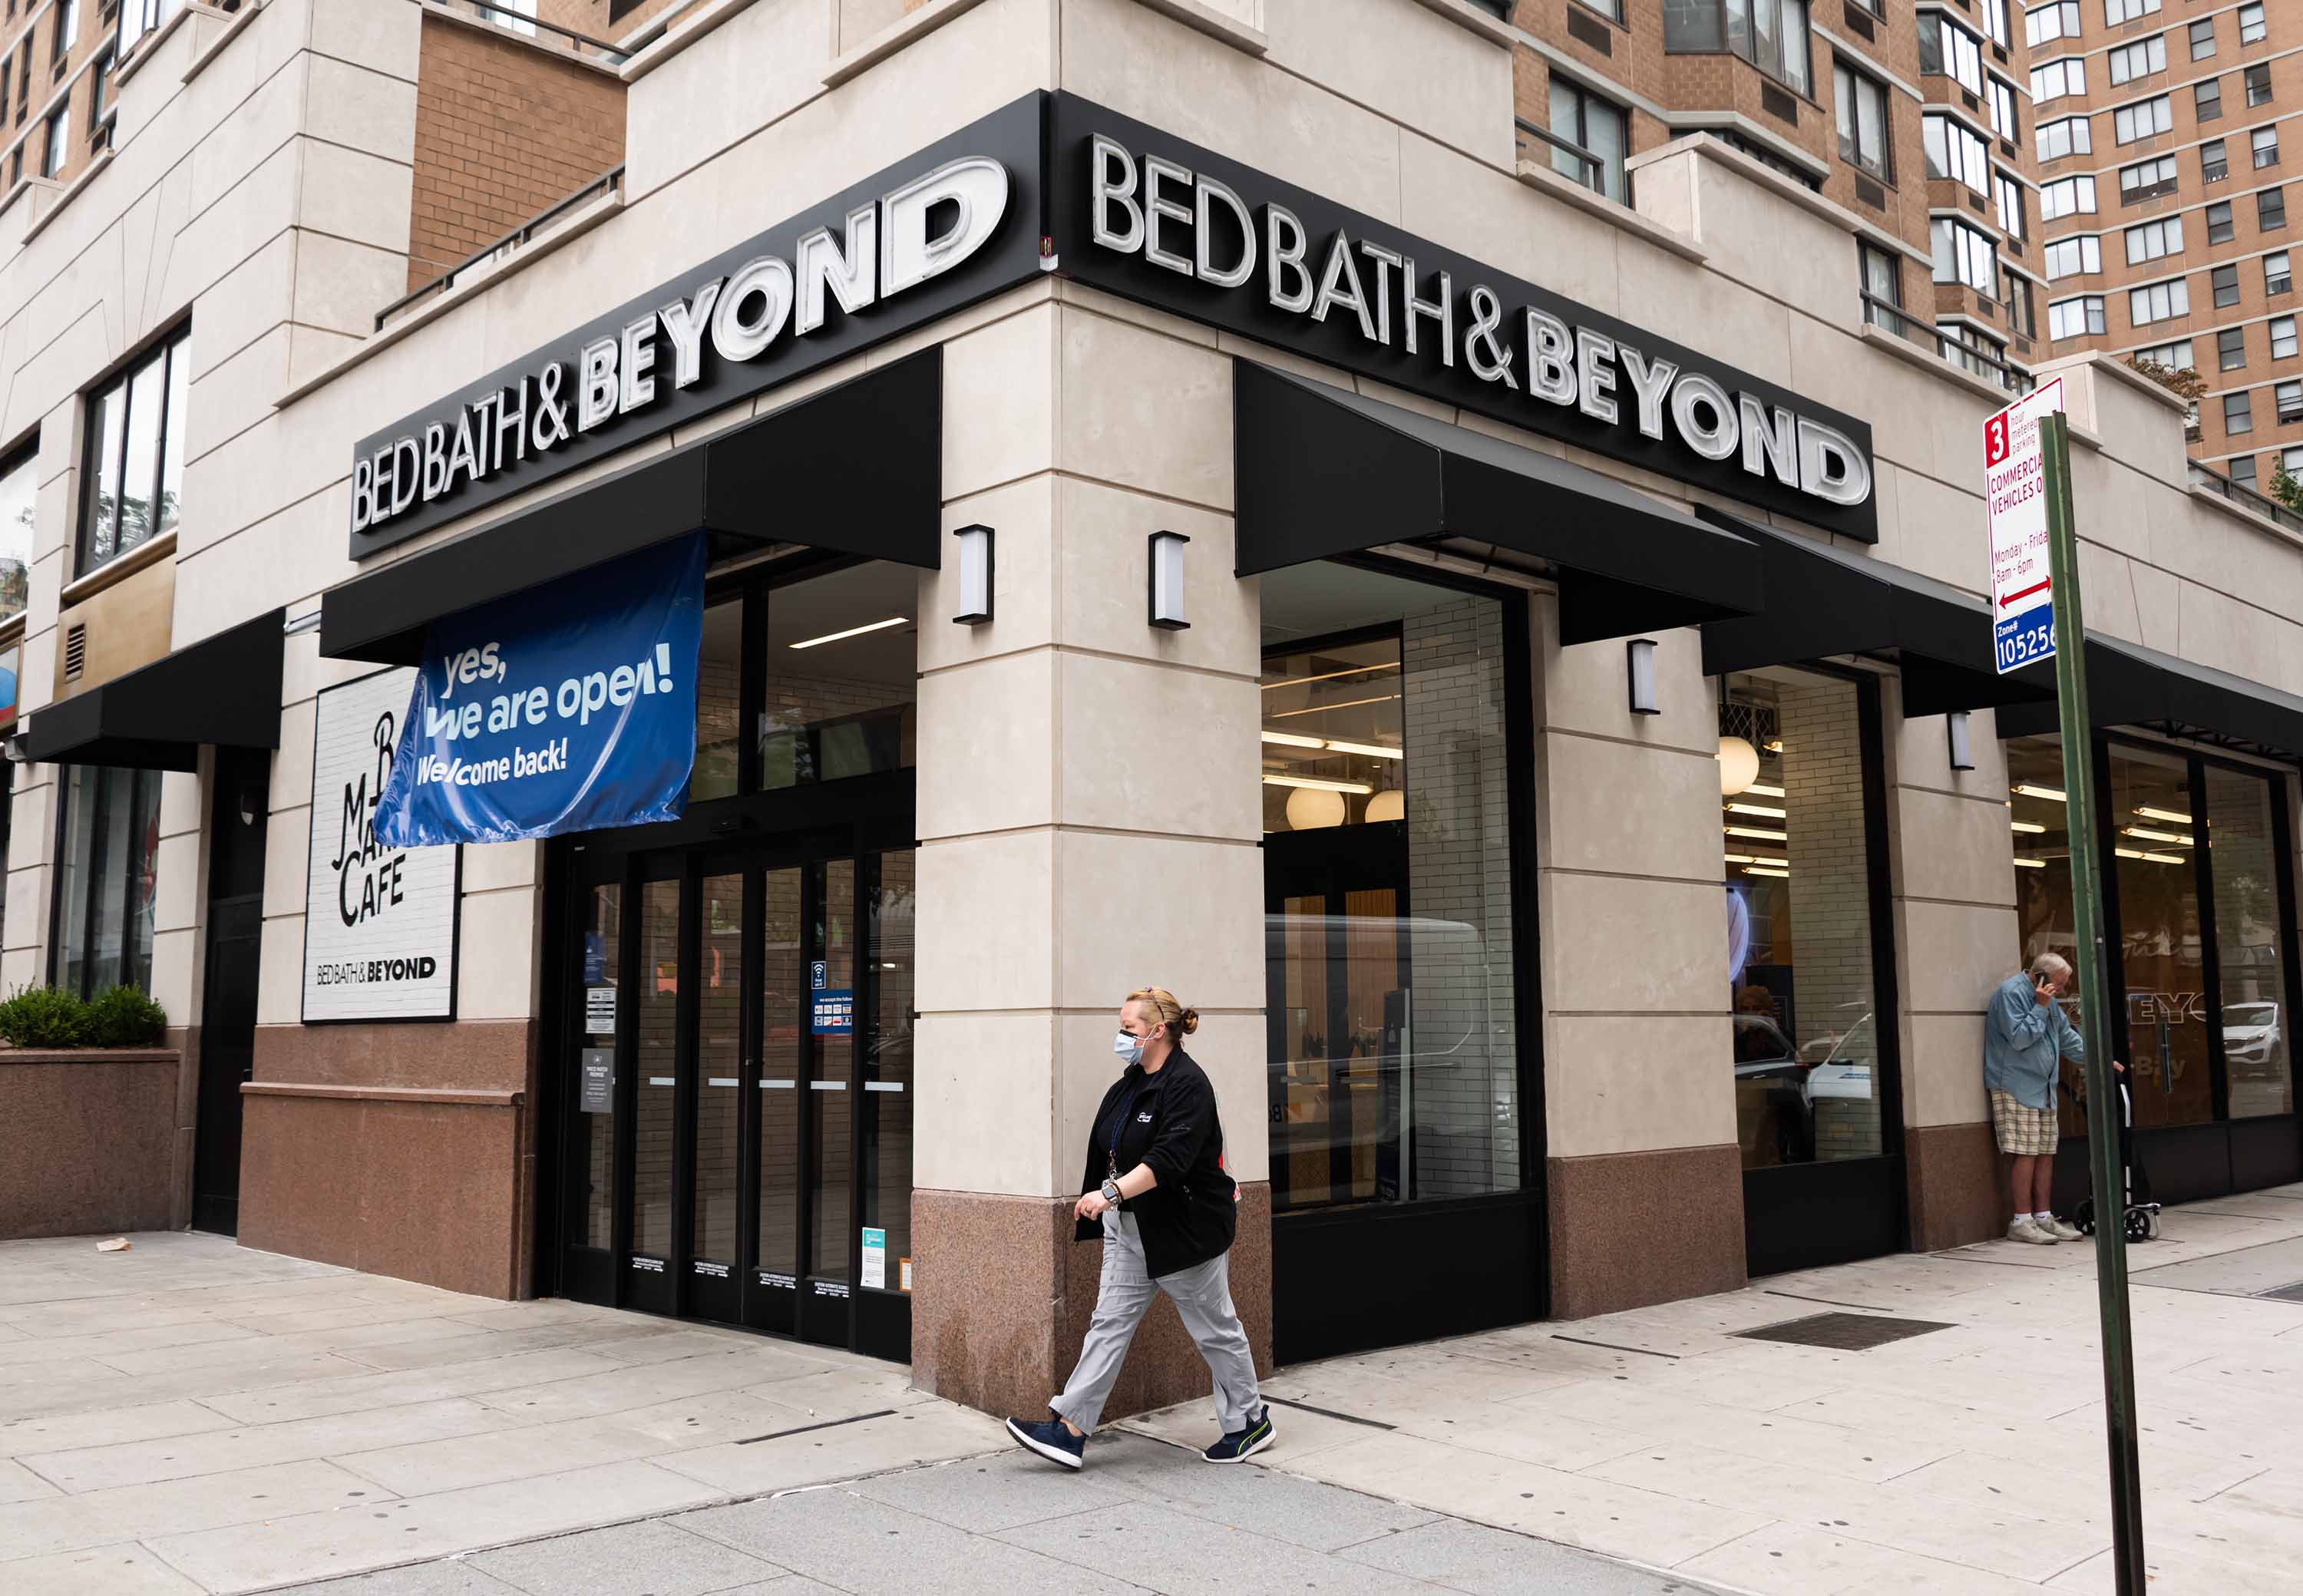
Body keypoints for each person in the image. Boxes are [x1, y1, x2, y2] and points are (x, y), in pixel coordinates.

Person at [1006, 985, 1271, 1469]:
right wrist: (1111, 1201)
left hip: (1184, 1233)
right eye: (1121, 1026)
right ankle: (1070, 1430)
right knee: (1108, 1325)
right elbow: (1112, 1146)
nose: (1121, 1035)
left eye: (1128, 1028)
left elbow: (1169, 1159)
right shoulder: (1130, 1082)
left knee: (1214, 1330)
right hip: (1130, 1230)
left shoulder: (1189, 1085)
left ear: (1158, 1031)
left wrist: (1108, 1195)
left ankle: (1249, 1422)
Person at [1986, 953, 2120, 1244]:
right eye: (2059, 984)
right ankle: (2021, 1221)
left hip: (2044, 1086)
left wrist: (2099, 1059)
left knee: (2046, 1151)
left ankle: (2044, 1217)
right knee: (2026, 1152)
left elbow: (2066, 1037)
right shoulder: (2011, 994)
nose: (2061, 990)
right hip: (2015, 1084)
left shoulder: (2048, 999)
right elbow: (2020, 1039)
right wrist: (2040, 1006)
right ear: (2041, 976)